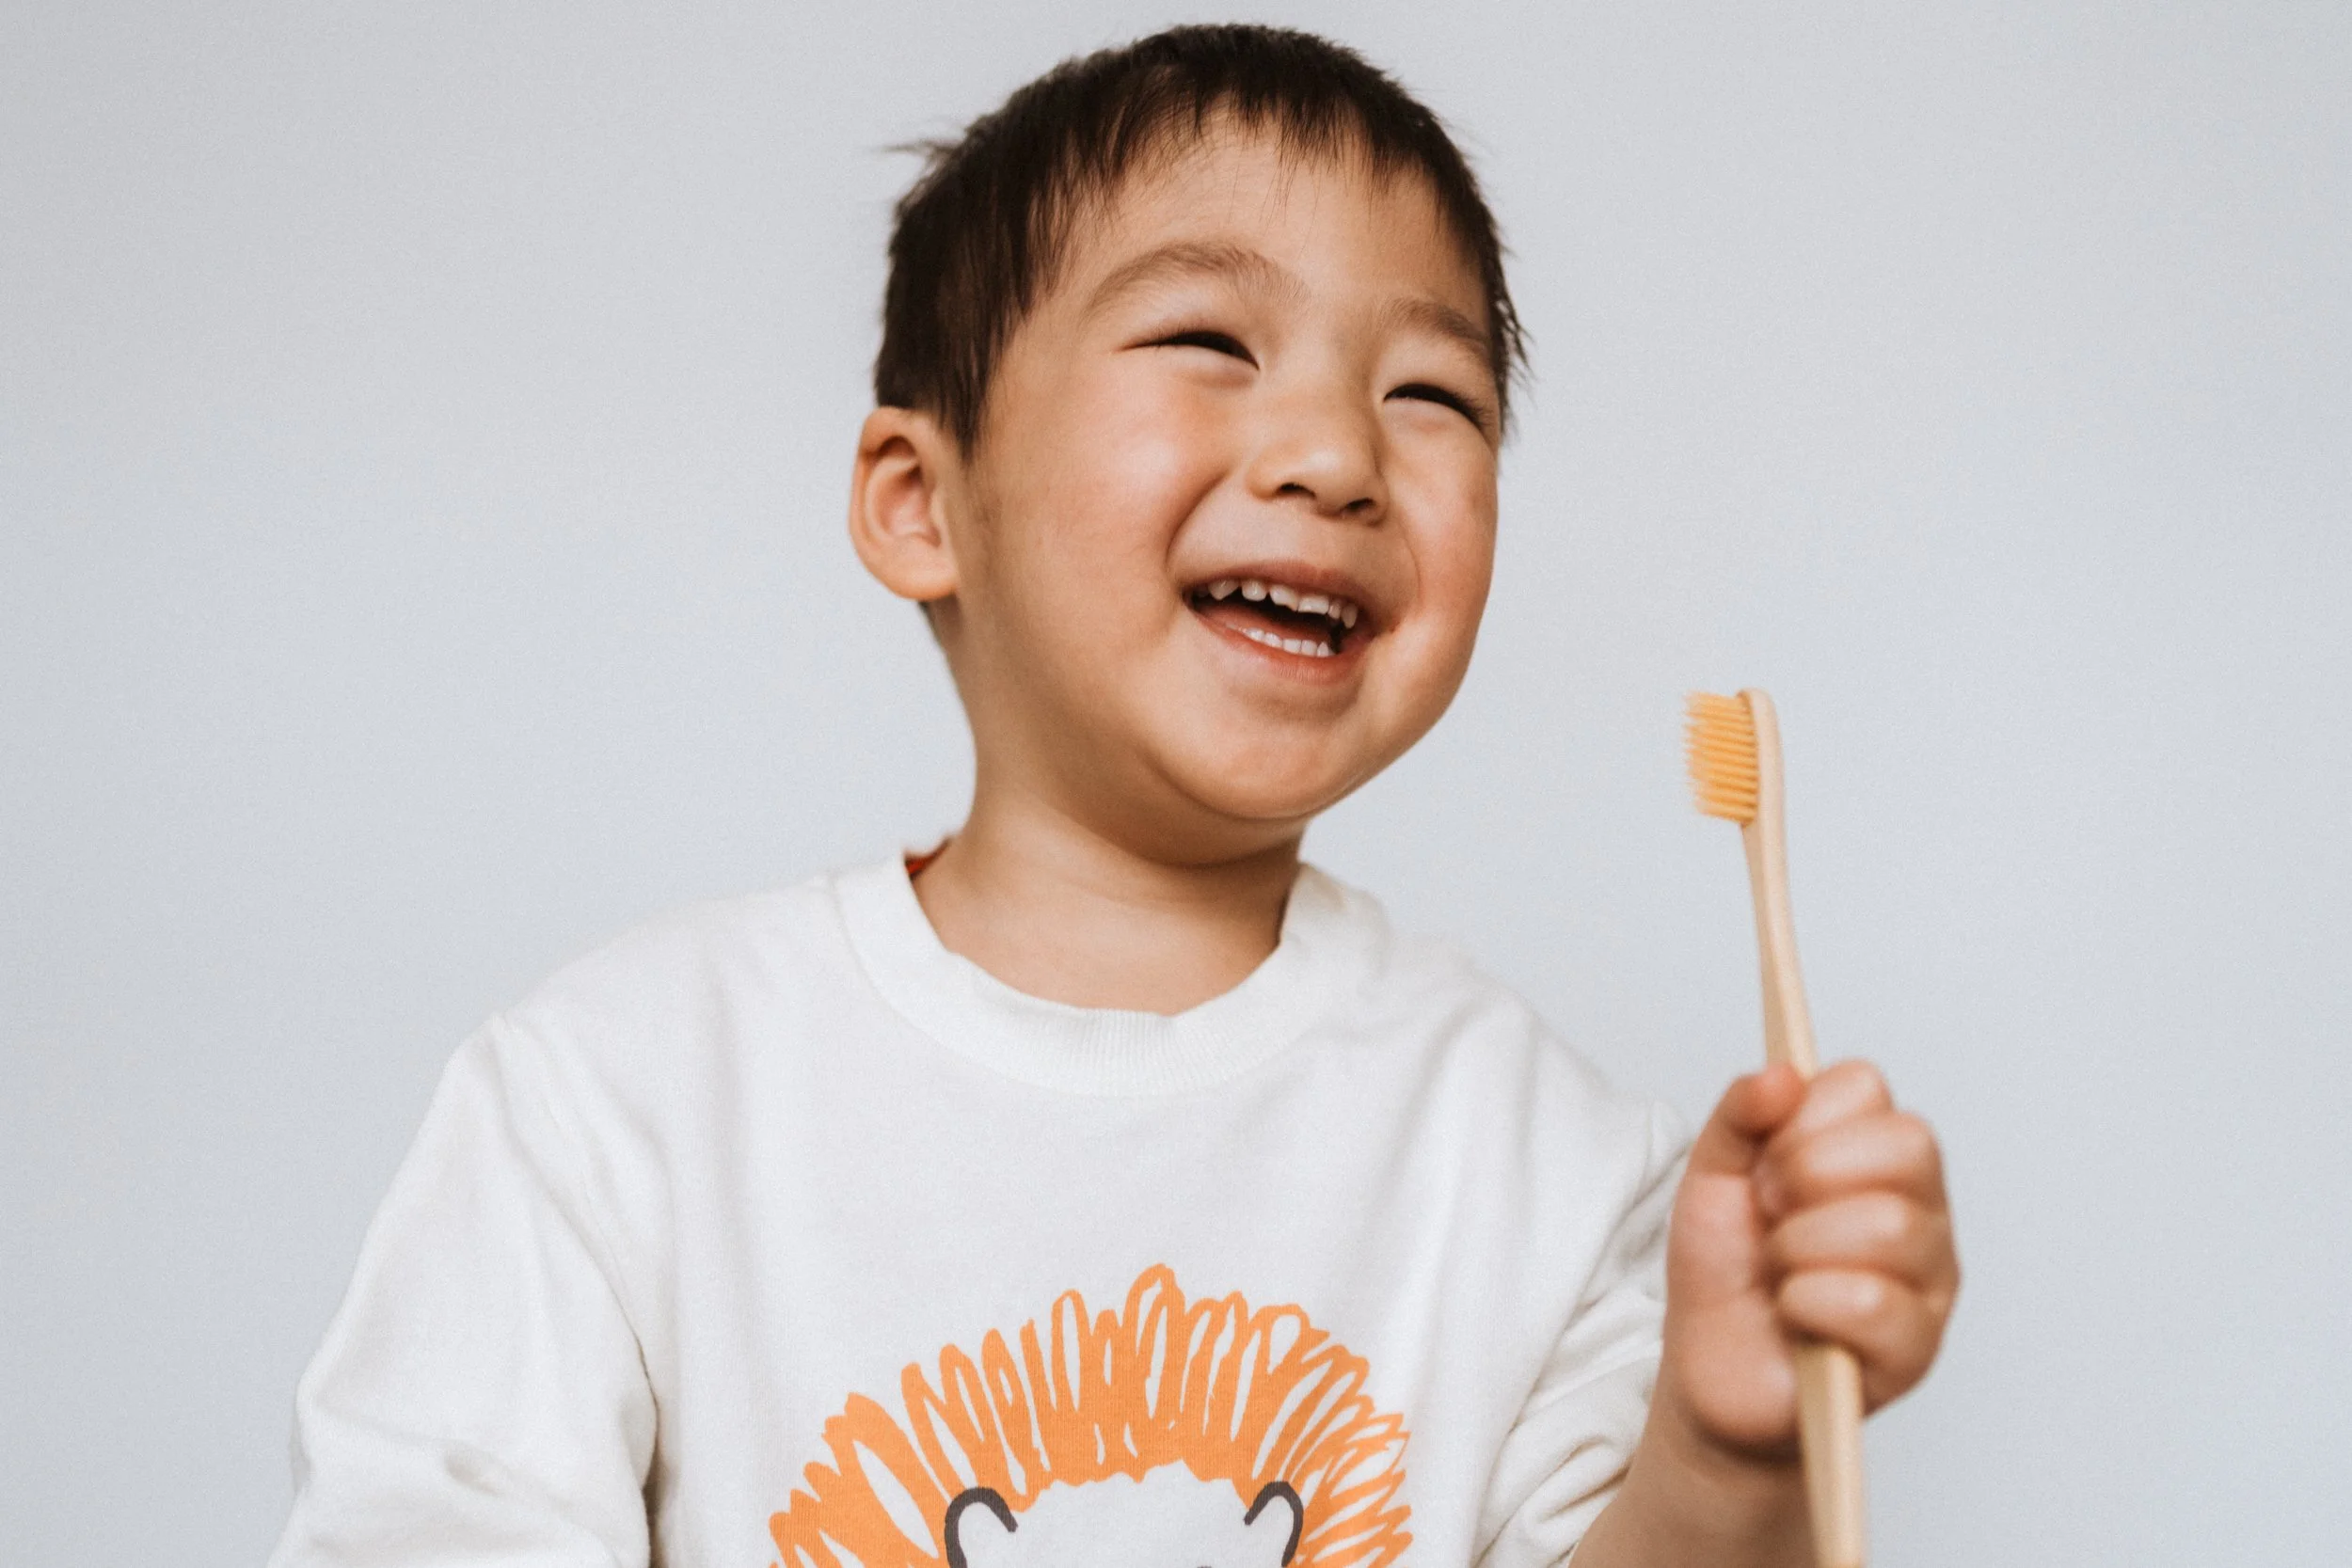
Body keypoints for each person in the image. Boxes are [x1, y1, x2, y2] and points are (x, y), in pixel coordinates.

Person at [269, 24, 1958, 1568]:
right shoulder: (617, 1104)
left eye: (1428, 394)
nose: (1335, 456)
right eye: (1209, 341)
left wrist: (1732, 1457)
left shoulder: (1555, 1178)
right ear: (923, 502)